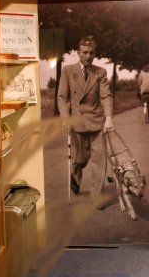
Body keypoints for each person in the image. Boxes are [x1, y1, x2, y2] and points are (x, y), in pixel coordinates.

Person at [57, 35, 114, 207]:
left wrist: (109, 118)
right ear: (78, 52)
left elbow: (105, 95)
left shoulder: (100, 72)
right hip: (77, 122)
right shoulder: (67, 70)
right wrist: (65, 118)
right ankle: (75, 176)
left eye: (91, 53)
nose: (88, 56)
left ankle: (96, 197)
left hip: (97, 122)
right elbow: (62, 97)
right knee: (79, 159)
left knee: (99, 160)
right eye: (84, 52)